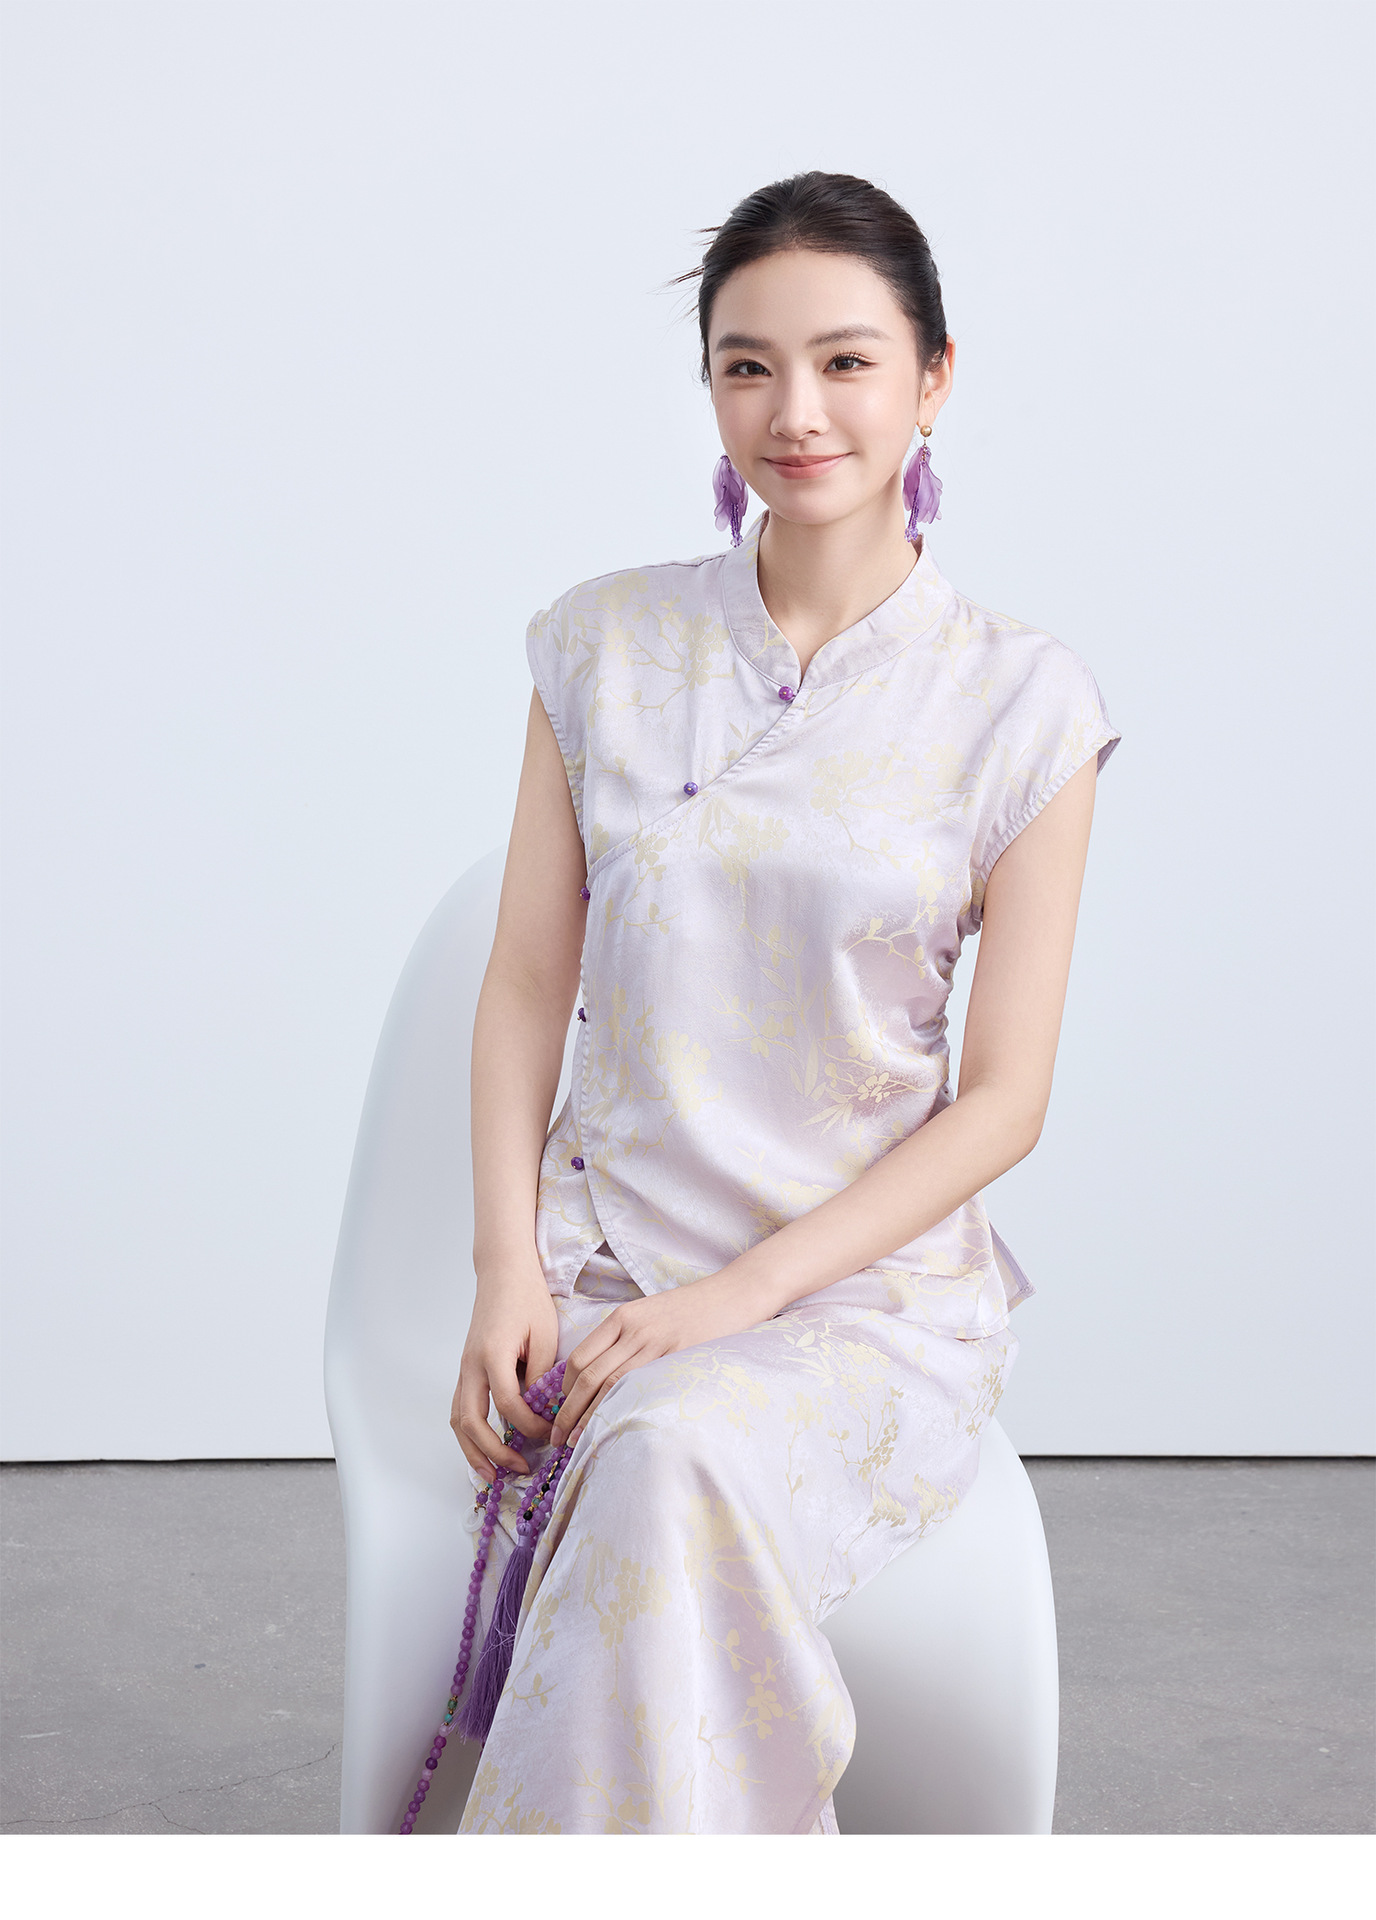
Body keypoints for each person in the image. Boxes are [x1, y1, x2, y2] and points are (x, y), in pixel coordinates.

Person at [447, 171, 1121, 1835]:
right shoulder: (599, 647)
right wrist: (505, 1268)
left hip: (863, 1307)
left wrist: (737, 1300)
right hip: (613, 1270)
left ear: (933, 380)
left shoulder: (1023, 705)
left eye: (845, 362)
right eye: (746, 366)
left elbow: (1006, 1099)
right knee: (655, 1448)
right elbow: (527, 982)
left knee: (669, 1452)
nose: (795, 411)